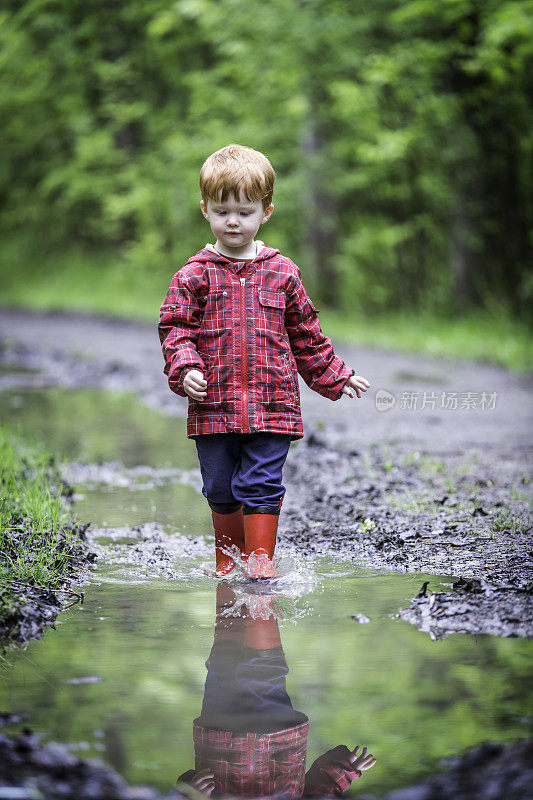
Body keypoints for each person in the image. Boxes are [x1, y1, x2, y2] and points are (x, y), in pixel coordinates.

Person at [158, 145, 370, 579]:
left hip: (272, 405)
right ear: (205, 210)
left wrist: (335, 374)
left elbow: (306, 335)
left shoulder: (283, 272)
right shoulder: (192, 275)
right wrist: (186, 368)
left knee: (260, 484)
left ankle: (259, 566)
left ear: (266, 212)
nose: (233, 221)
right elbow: (174, 328)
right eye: (222, 211)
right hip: (213, 405)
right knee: (219, 486)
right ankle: (226, 562)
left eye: (244, 212)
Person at [176, 581, 377, 797]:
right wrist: (347, 769)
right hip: (277, 743)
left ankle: (229, 578)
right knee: (265, 670)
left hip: (219, 740)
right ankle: (260, 588)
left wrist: (189, 791)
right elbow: (319, 791)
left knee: (223, 662)